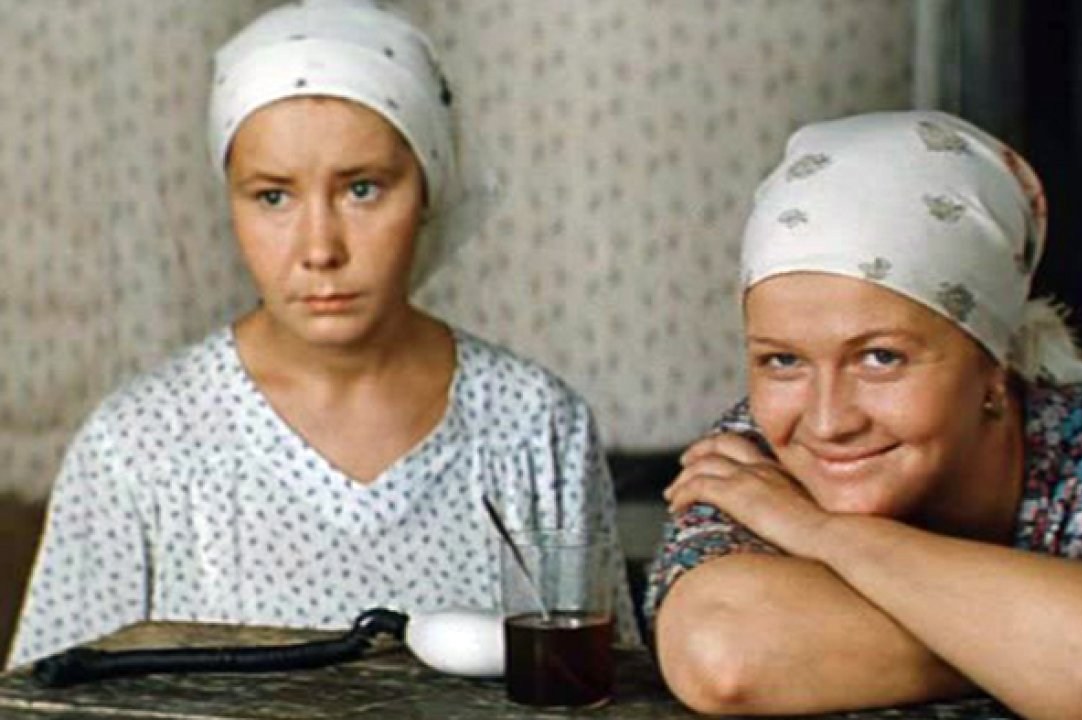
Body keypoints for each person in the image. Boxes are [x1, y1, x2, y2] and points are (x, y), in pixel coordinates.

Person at [7, 0, 638, 669]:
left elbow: (601, 684)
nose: (320, 248)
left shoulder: (535, 426)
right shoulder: (139, 445)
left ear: (428, 188)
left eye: (362, 189)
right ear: (230, 199)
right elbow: (50, 694)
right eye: (273, 196)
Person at [645, 111, 1082, 719]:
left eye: (881, 358)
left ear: (995, 367)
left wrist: (818, 531)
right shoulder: (750, 458)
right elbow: (725, 656)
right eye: (782, 361)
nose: (828, 421)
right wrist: (1049, 654)